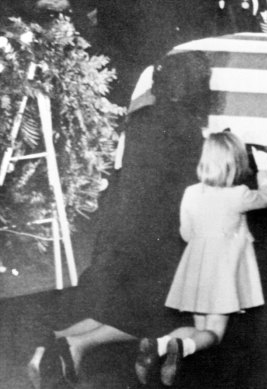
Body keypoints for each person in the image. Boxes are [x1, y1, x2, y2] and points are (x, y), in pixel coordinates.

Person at [27, 50, 211, 389]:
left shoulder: (138, 119)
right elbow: (190, 190)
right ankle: (77, 344)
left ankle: (53, 342)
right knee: (165, 315)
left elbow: (122, 170)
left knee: (119, 305)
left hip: (119, 225)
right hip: (160, 232)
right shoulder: (189, 130)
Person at [133, 131, 267, 386]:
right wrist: (264, 169)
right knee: (213, 334)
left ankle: (161, 343)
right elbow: (266, 198)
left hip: (196, 271)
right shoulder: (238, 194)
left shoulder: (190, 193)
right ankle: (182, 346)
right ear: (235, 164)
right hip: (223, 274)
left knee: (198, 328)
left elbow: (186, 233)